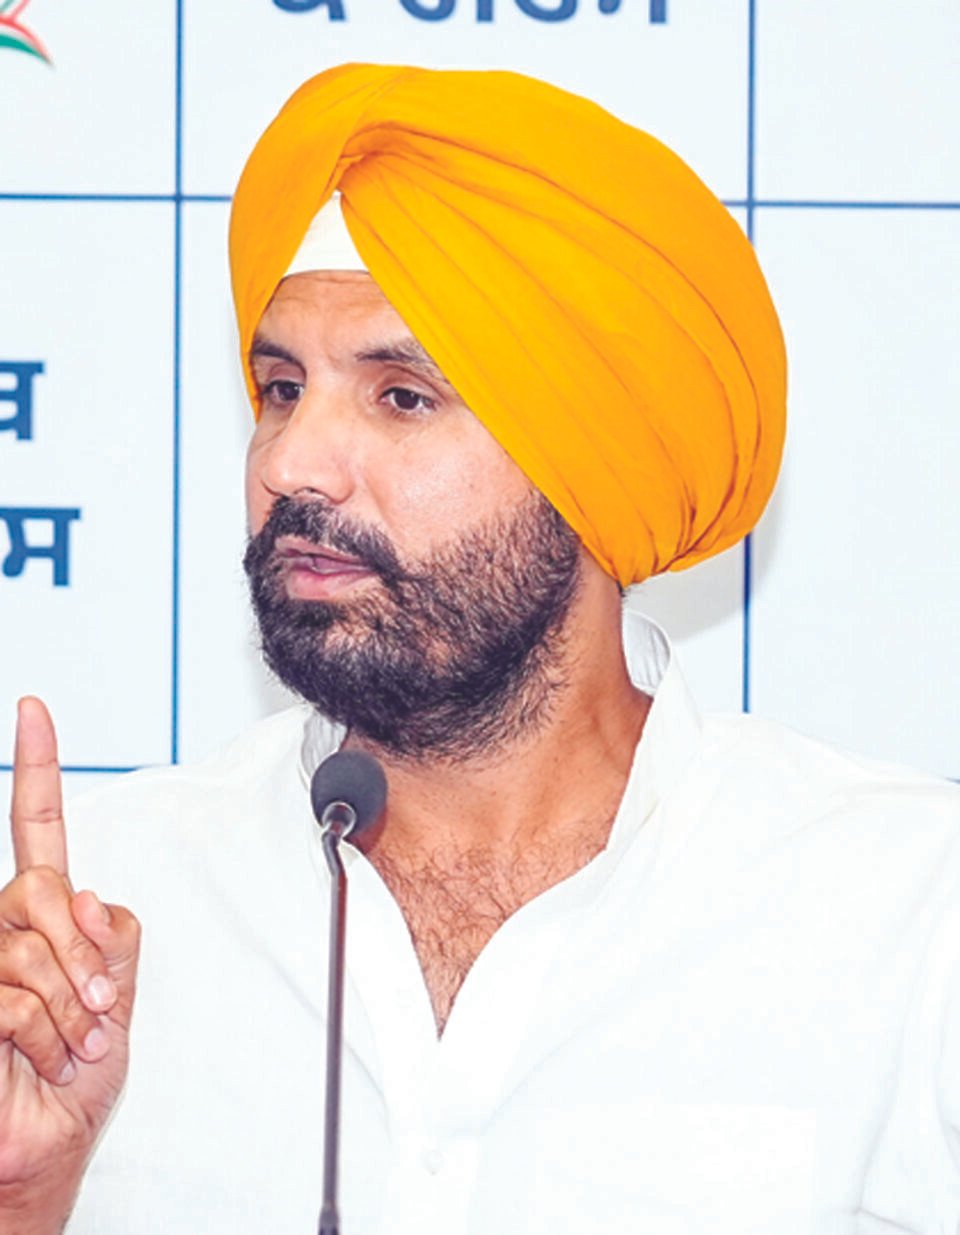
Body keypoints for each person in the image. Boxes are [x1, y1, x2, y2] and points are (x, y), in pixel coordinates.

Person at [1, 63, 958, 1235]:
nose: (291, 463)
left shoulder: (909, 912)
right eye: (280, 386)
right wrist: (25, 1199)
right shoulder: (80, 926)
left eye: (402, 396)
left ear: (594, 463)